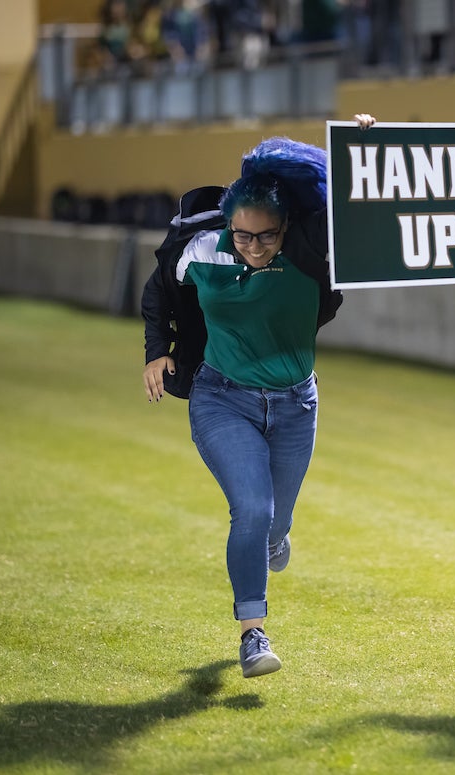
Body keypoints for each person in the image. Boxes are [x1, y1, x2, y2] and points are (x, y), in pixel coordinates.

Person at [143, 114, 376, 678]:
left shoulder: (310, 253)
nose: (252, 246)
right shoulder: (201, 248)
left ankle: (273, 538)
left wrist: (361, 146)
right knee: (251, 508)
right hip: (222, 399)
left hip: (297, 406)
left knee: (274, 524)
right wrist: (158, 350)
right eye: (242, 234)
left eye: (265, 235)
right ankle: (253, 633)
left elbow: (365, 214)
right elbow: (158, 291)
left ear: (286, 226)